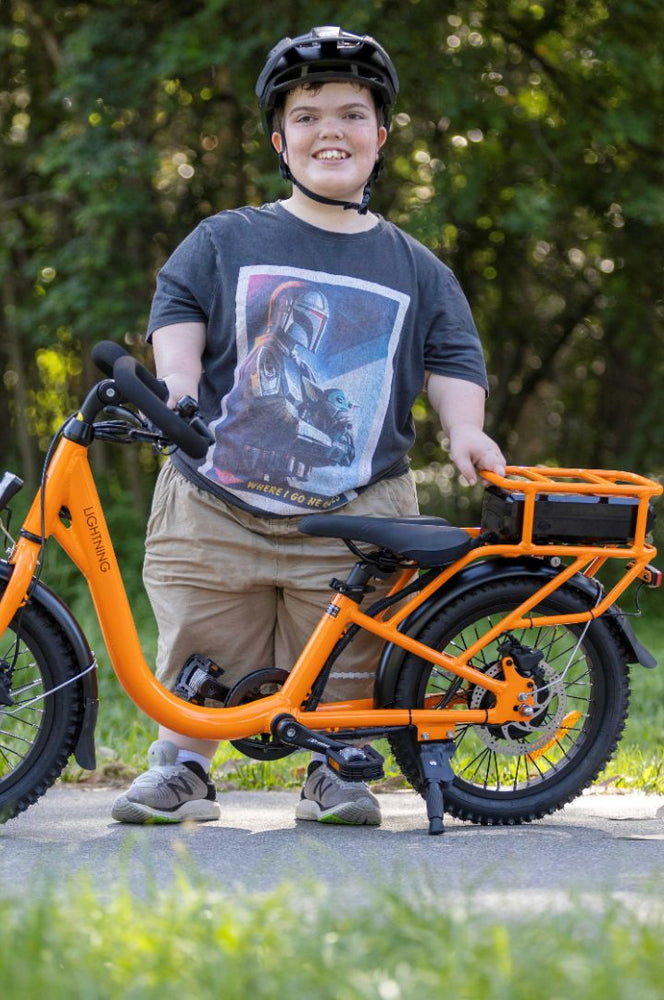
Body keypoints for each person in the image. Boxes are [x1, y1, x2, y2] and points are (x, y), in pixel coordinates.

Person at [111, 26, 506, 826]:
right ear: (279, 141)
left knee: (349, 657)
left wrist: (466, 430)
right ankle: (184, 769)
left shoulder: (416, 267)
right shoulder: (229, 238)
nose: (332, 129)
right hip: (217, 500)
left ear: (382, 137)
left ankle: (334, 768)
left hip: (350, 517)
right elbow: (178, 306)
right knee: (202, 642)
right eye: (309, 116)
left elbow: (453, 355)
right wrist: (179, 383)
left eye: (353, 114)